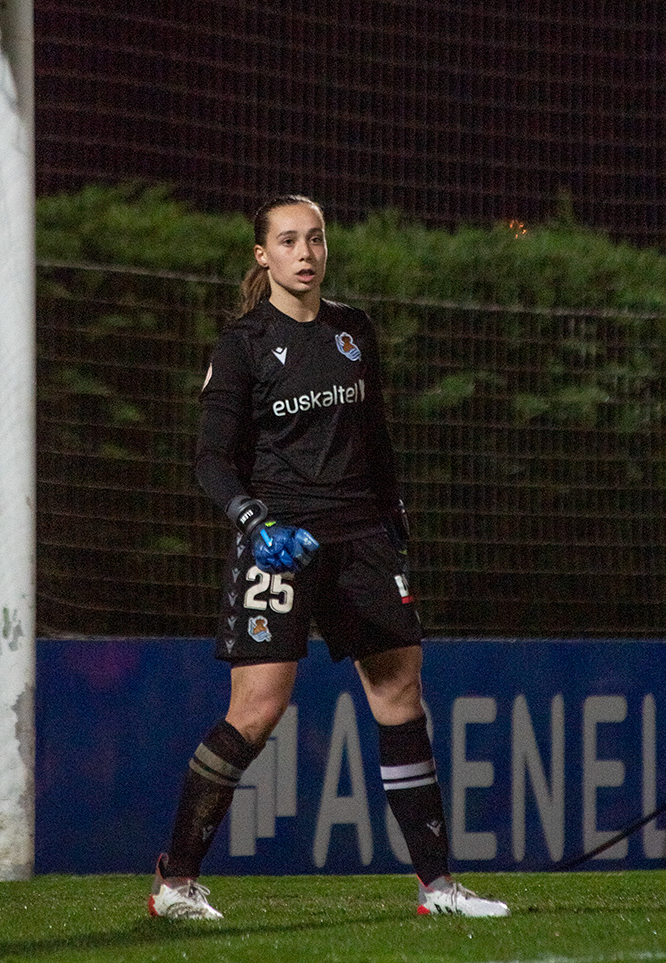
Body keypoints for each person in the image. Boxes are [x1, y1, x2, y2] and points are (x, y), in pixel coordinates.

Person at [148, 194, 509, 920]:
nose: (305, 253)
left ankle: (437, 888)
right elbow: (210, 461)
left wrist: (393, 520)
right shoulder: (243, 344)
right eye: (288, 241)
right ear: (263, 255)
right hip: (279, 542)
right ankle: (174, 883)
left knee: (400, 695)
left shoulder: (354, 330)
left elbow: (376, 435)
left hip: (361, 539)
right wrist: (255, 522)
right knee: (257, 710)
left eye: (314, 239)